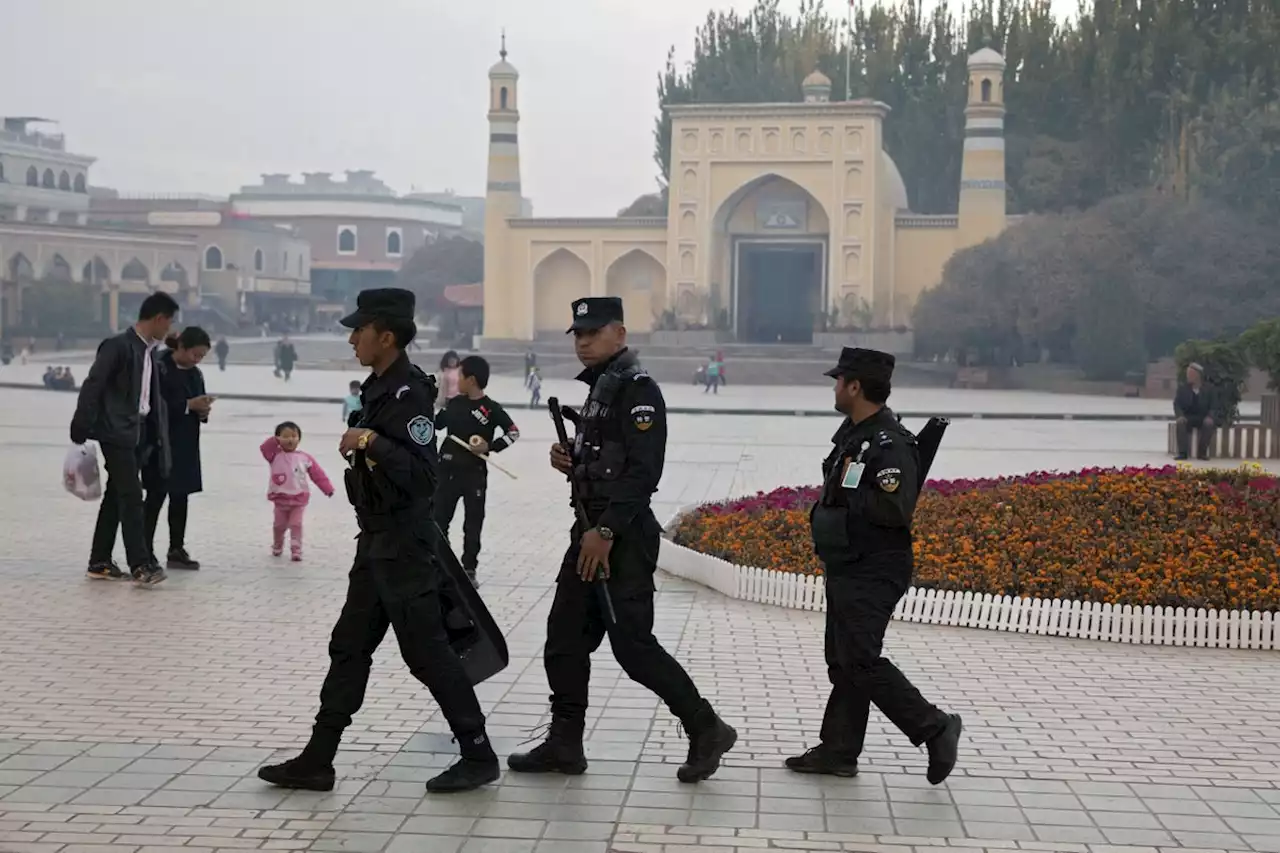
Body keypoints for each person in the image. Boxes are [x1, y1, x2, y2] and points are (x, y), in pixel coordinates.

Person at [258, 287, 499, 794]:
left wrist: (369, 440)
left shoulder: (409, 393)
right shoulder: (379, 389)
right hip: (376, 542)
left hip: (405, 545)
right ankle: (318, 758)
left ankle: (478, 754)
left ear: (385, 336)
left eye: (359, 330)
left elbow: (421, 474)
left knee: (428, 654)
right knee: (348, 647)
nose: (351, 339)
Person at [507, 296, 736, 783]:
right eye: (578, 334)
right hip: (588, 532)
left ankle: (706, 727)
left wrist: (607, 531)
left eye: (593, 333)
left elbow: (642, 473)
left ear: (621, 334)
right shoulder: (600, 390)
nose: (584, 342)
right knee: (564, 639)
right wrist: (570, 458)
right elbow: (606, 460)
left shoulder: (638, 392)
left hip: (621, 538)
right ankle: (565, 744)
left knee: (633, 648)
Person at [789, 347, 961, 784]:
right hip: (848, 563)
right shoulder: (854, 435)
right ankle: (839, 750)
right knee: (843, 660)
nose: (834, 388)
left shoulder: (890, 444)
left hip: (874, 567)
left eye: (838, 381)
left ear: (855, 386)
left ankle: (934, 726)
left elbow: (894, 509)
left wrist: (853, 496)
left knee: (861, 660)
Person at [69, 292, 180, 586]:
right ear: (158, 318)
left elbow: (148, 396)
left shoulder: (148, 352)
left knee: (117, 494)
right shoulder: (118, 347)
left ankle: (100, 560)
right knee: (132, 495)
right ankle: (141, 564)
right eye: (168, 322)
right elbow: (94, 384)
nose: (169, 329)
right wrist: (81, 424)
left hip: (137, 431)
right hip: (115, 430)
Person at [432, 355, 520, 587]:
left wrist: (489, 447)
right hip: (446, 471)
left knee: (473, 523)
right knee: (439, 519)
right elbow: (434, 424)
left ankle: (469, 568)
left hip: (474, 474)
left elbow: (513, 433)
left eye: (460, 376)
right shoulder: (454, 404)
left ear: (471, 379)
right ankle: (442, 563)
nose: (456, 380)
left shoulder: (491, 410)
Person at [144, 327, 214, 570]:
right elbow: (152, 405)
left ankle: (176, 548)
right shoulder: (159, 367)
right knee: (155, 496)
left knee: (180, 496)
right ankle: (144, 550)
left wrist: (202, 409)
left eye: (202, 357)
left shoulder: (196, 374)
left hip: (186, 442)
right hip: (161, 442)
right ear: (181, 347)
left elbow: (198, 404)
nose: (197, 360)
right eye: (195, 354)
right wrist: (186, 405)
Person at [259, 421, 334, 561]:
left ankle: (296, 549)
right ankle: (277, 545)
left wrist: (327, 489)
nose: (290, 439)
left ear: (299, 438)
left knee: (296, 524)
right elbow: (264, 448)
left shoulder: (304, 458)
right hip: (280, 497)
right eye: (286, 436)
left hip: (299, 498)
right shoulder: (274, 456)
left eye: (294, 436)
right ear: (278, 439)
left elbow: (318, 475)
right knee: (279, 525)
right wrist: (276, 440)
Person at [1174, 362, 1216, 461]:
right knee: (1180, 423)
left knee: (1209, 424)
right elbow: (1177, 404)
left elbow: (1214, 405)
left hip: (1203, 416)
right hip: (1188, 416)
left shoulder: (1209, 389)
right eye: (1188, 374)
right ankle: (1182, 453)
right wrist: (1180, 415)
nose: (1188, 376)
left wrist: (1210, 416)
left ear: (1198, 376)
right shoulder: (1182, 389)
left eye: (1191, 374)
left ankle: (1202, 453)